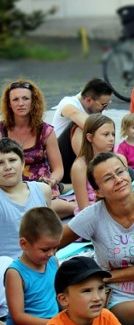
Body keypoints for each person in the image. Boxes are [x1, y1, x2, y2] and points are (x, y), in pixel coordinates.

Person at [59, 152, 134, 325]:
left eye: (121, 172)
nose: (118, 180)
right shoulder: (93, 215)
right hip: (120, 295)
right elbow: (49, 244)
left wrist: (106, 275)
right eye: (108, 178)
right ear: (98, 191)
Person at [0, 79, 74, 218]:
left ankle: (73, 208)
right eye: (15, 99)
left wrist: (51, 182)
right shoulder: (1, 130)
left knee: (37, 210)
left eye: (25, 98)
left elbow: (58, 169)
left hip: (41, 185)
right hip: (10, 183)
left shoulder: (45, 131)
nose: (20, 103)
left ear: (33, 101)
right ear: (9, 104)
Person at [4, 207, 62, 325]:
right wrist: (55, 324)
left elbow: (59, 297)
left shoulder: (53, 262)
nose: (51, 253)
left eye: (55, 248)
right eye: (45, 249)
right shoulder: (15, 273)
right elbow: (18, 317)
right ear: (24, 244)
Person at [50, 78, 113, 184]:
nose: (106, 108)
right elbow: (75, 114)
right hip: (59, 161)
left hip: (79, 164)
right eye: (103, 105)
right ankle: (96, 168)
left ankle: (73, 184)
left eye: (108, 104)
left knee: (127, 171)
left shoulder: (95, 110)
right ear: (89, 100)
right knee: (79, 126)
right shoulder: (68, 103)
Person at [44, 256, 126, 325]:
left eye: (101, 288)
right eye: (87, 291)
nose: (97, 298)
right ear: (64, 299)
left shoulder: (106, 318)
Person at [0, 138, 51, 260]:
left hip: (43, 261)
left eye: (12, 160)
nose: (7, 167)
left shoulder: (43, 190)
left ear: (23, 163)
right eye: (0, 163)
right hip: (8, 267)